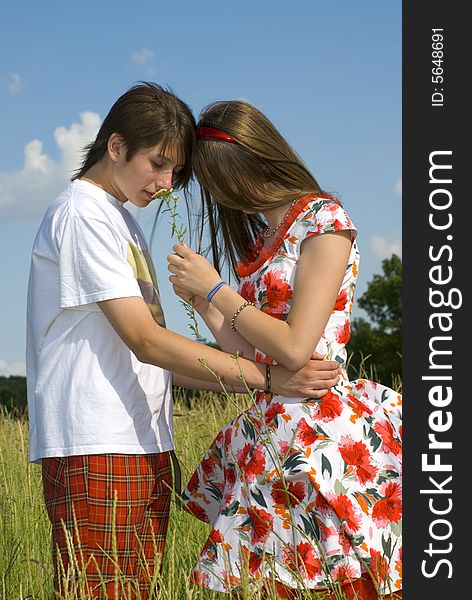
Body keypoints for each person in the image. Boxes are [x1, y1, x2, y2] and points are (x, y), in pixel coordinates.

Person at [26, 83, 340, 599]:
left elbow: (157, 360)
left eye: (175, 172)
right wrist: (269, 377)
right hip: (97, 443)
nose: (167, 183)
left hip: (138, 442)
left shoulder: (119, 218)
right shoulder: (82, 214)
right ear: (115, 146)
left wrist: (257, 383)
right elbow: (147, 341)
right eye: (157, 164)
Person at [167, 100, 402, 599]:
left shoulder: (324, 218)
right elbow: (256, 358)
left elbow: (297, 347)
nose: (222, 196)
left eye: (222, 181)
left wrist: (216, 291)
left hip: (321, 426)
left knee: (341, 576)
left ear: (255, 161)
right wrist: (204, 304)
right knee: (279, 581)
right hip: (276, 422)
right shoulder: (264, 237)